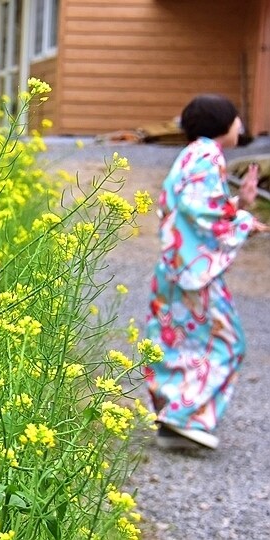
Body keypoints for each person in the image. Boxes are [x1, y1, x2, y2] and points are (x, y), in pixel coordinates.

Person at [145, 94, 269, 450]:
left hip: (174, 267)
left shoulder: (191, 155)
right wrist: (242, 222)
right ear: (222, 124)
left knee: (176, 340)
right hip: (192, 273)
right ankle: (182, 417)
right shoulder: (208, 156)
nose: (241, 126)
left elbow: (194, 209)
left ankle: (172, 419)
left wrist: (240, 204)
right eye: (236, 119)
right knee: (228, 343)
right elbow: (203, 216)